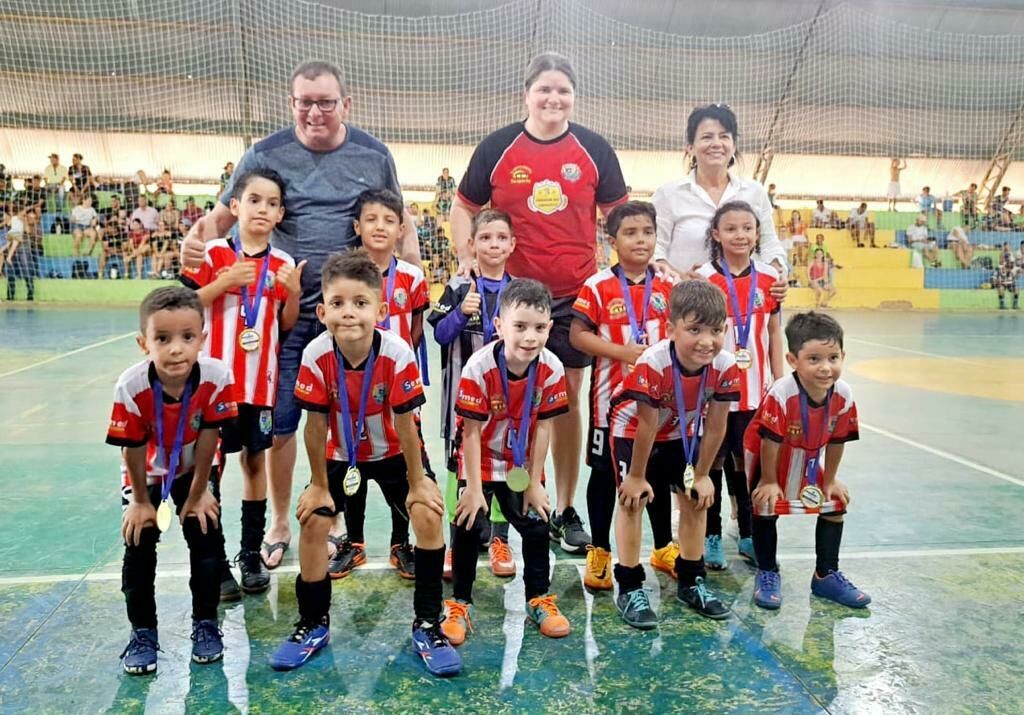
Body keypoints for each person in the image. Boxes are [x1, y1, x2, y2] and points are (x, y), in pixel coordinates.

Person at [180, 60, 422, 570]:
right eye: (305, 101)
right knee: (283, 425)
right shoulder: (265, 152)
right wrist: (194, 236)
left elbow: (401, 219)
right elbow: (224, 214)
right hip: (280, 317)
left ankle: (332, 519)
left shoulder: (374, 154)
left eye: (326, 102)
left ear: (345, 104)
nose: (315, 111)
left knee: (343, 420)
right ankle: (282, 521)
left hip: (351, 316)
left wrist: (413, 277)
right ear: (292, 103)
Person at [450, 52, 629, 554]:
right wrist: (467, 257)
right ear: (526, 94)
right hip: (512, 298)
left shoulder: (593, 149)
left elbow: (620, 215)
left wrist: (636, 262)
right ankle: (509, 501)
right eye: (544, 90)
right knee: (503, 399)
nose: (554, 99)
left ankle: (564, 506)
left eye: (563, 91)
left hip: (574, 295)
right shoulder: (499, 147)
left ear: (574, 96)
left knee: (566, 398)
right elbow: (462, 207)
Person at [268, 250, 459, 676]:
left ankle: (428, 623)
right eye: (337, 304)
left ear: (382, 309)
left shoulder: (397, 353)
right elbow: (314, 427)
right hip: (339, 455)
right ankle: (313, 622)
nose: (348, 313)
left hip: (395, 452)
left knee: (427, 516)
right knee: (315, 521)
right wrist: (318, 484)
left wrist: (416, 481)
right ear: (321, 311)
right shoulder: (316, 354)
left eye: (360, 303)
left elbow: (406, 424)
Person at [180, 168, 304, 592]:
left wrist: (293, 294)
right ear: (235, 206)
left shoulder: (283, 263)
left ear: (280, 213)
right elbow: (185, 306)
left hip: (259, 385)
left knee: (254, 461)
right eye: (254, 200)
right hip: (213, 387)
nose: (262, 209)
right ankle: (213, 561)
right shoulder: (214, 254)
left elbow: (285, 324)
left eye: (271, 203)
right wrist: (224, 283)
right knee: (208, 467)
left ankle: (250, 555)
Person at [107, 286, 239, 675]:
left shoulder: (216, 377)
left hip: (194, 471)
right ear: (142, 343)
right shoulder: (130, 386)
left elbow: (210, 440)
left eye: (187, 337)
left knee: (206, 539)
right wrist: (141, 502)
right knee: (138, 545)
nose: (176, 349)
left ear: (203, 338)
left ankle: (206, 624)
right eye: (162, 339)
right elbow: (131, 449)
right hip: (144, 474)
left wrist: (198, 495)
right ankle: (143, 632)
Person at [443, 278, 572, 647]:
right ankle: (460, 603)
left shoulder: (552, 367)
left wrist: (534, 481)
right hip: (480, 457)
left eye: (539, 327)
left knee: (536, 525)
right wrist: (470, 487)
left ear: (549, 328)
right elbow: (469, 433)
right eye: (520, 326)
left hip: (523, 461)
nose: (530, 337)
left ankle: (538, 598)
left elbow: (545, 428)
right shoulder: (478, 367)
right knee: (467, 524)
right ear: (499, 326)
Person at [608, 280, 741, 628]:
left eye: (715, 330)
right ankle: (629, 583)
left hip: (684, 432)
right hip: (633, 430)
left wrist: (701, 474)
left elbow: (716, 426)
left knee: (696, 497)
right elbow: (646, 426)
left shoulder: (726, 366)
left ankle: (691, 579)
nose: (706, 340)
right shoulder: (654, 363)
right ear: (670, 329)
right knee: (632, 500)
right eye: (694, 329)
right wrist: (636, 477)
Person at [568, 201, 675, 590]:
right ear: (612, 241)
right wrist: (623, 353)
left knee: (657, 472)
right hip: (607, 402)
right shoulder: (598, 286)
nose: (640, 240)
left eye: (647, 232)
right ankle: (600, 551)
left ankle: (663, 547)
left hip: (658, 404)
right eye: (630, 233)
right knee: (603, 474)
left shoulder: (668, 285)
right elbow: (577, 335)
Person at [326, 188, 428, 580]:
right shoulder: (347, 275)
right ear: (357, 226)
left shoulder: (413, 278)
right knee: (355, 459)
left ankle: (401, 543)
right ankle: (354, 543)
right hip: (350, 388)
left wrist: (397, 362)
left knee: (400, 463)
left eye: (389, 220)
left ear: (401, 228)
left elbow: (417, 325)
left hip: (396, 387)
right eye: (371, 219)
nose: (380, 227)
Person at [746, 311, 870, 611]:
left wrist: (829, 481)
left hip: (811, 456)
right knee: (765, 503)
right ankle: (767, 572)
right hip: (770, 454)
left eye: (833, 357)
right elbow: (769, 441)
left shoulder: (843, 393)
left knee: (836, 502)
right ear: (793, 360)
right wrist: (770, 481)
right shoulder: (782, 393)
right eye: (814, 359)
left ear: (843, 356)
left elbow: (838, 440)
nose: (825, 368)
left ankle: (825, 574)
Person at [427, 208, 519, 580]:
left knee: (504, 465)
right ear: (472, 244)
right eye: (485, 238)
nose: (493, 245)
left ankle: (499, 538)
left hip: (510, 404)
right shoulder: (458, 287)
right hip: (463, 404)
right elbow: (440, 335)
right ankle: (455, 540)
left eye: (501, 238)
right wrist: (461, 314)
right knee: (459, 469)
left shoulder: (519, 291)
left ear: (512, 244)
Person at [696, 201, 783, 570]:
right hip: (714, 395)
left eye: (747, 228)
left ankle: (747, 531)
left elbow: (775, 332)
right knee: (711, 463)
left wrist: (780, 384)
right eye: (730, 228)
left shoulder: (769, 279)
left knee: (747, 466)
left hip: (757, 394)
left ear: (758, 232)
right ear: (716, 234)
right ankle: (711, 534)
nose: (740, 235)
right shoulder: (703, 278)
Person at [653, 103, 788, 289]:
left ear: (733, 146)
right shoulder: (669, 194)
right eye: (707, 137)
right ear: (690, 147)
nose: (716, 144)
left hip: (744, 304)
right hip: (684, 306)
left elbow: (769, 245)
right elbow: (655, 252)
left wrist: (776, 273)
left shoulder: (754, 192)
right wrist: (682, 279)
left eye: (724, 136)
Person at [4, 201, 34, 301]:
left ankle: (30, 294)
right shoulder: (12, 218)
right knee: (11, 273)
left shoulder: (25, 219)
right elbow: (8, 230)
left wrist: (24, 221)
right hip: (12, 247)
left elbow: (28, 231)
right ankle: (10, 296)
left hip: (23, 248)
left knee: (26, 271)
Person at [995, 244, 1019, 310]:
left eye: (1011, 261)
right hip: (1003, 283)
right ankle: (1001, 304)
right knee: (1000, 288)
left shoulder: (1014, 268)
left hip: (1010, 284)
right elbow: (995, 278)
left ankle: (1015, 304)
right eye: (1008, 260)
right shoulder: (1000, 267)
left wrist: (1016, 274)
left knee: (1016, 289)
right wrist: (998, 281)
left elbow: (1016, 276)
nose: (1010, 262)